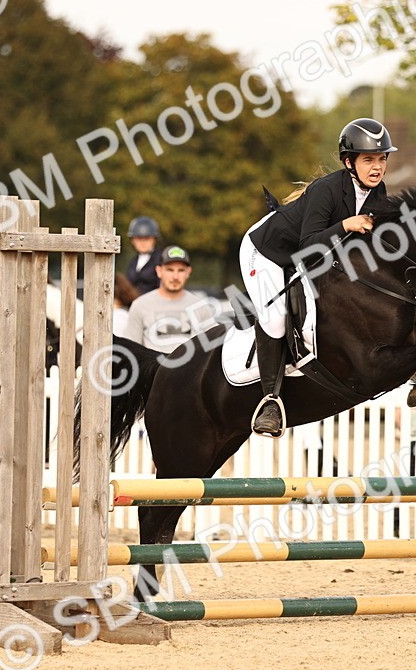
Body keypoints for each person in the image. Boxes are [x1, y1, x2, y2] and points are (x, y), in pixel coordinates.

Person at [240, 117, 396, 437]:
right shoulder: (326, 189)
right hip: (266, 252)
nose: (377, 167)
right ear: (349, 162)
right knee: (275, 316)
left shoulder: (378, 193)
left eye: (382, 159)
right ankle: (270, 400)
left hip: (310, 258)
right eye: (369, 159)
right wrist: (346, 226)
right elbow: (307, 246)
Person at [121, 245, 216, 354]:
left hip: (191, 370)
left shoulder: (201, 306)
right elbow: (131, 351)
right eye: (170, 270)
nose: (175, 276)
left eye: (180, 270)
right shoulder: (140, 305)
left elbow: (213, 349)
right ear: (159, 271)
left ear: (188, 272)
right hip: (153, 370)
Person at [124, 216, 162, 296]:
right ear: (133, 241)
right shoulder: (132, 262)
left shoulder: (161, 259)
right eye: (139, 238)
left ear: (154, 239)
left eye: (147, 238)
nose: (143, 242)